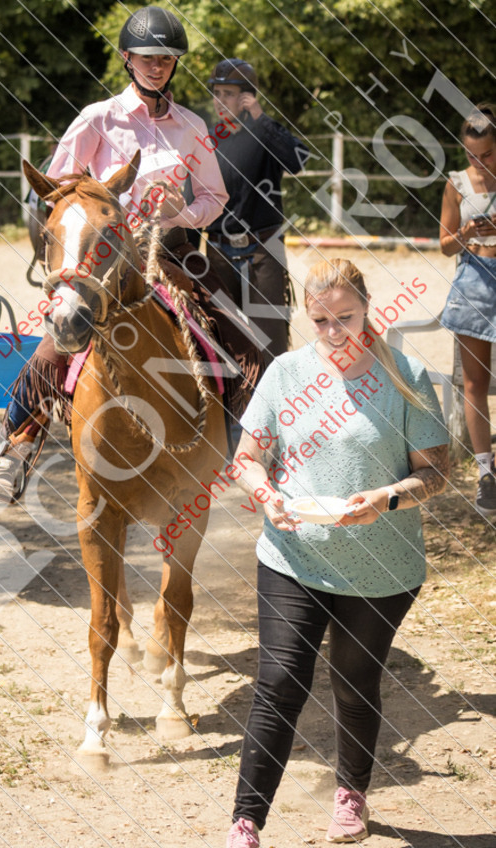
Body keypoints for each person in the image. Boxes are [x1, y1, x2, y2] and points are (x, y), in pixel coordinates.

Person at [225, 258, 449, 848]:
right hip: (292, 554)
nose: (333, 332)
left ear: (367, 306)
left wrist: (389, 498)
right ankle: (245, 822)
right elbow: (246, 459)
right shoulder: (285, 374)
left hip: (382, 565)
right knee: (277, 682)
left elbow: (436, 474)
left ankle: (351, 793)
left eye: (345, 317)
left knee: (354, 682)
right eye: (320, 319)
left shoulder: (407, 376)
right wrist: (265, 493)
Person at [0, 5, 234, 500]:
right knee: (59, 338)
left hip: (172, 253)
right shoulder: (97, 119)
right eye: (146, 57)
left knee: (231, 334)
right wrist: (97, 208)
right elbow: (56, 192)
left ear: (175, 63)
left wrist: (179, 211)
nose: (156, 66)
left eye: (166, 58)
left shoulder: (192, 127)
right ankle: (17, 444)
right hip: (101, 255)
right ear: (127, 59)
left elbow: (215, 199)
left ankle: (235, 444)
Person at [205, 58, 307, 364]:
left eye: (229, 93)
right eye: (217, 93)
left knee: (271, 343)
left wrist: (260, 117)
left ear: (247, 97)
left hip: (264, 251)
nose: (220, 100)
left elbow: (297, 161)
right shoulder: (207, 140)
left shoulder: (266, 134)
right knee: (223, 341)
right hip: (218, 253)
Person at [439, 103, 496, 516]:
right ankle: (485, 474)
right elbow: (444, 245)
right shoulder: (456, 183)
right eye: (472, 154)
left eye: (488, 154)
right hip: (474, 279)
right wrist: (467, 232)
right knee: (475, 385)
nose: (479, 162)